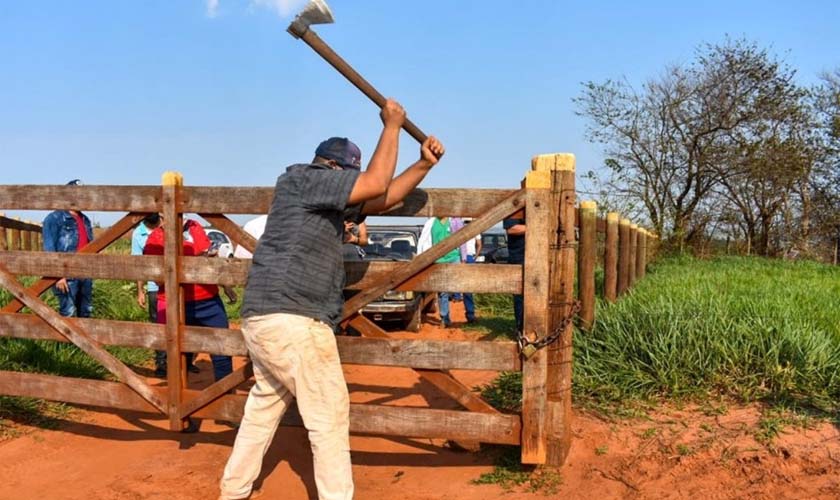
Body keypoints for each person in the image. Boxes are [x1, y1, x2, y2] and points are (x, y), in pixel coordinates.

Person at [220, 99, 445, 500]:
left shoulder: (314, 191)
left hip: (269, 318)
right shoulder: (307, 178)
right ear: (336, 170)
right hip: (295, 318)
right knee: (328, 415)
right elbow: (376, 184)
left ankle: (233, 491)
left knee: (263, 407)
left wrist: (423, 164)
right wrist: (391, 126)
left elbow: (385, 196)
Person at [143, 218, 234, 381]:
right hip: (176, 303)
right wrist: (186, 264)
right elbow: (158, 280)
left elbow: (210, 259)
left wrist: (225, 285)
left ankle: (226, 395)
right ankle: (182, 399)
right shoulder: (155, 240)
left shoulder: (194, 227)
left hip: (208, 299)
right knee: (178, 354)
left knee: (222, 349)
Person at [42, 179, 94, 318]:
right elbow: (49, 249)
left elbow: (91, 245)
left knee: (86, 311)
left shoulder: (85, 220)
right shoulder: (54, 218)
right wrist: (58, 276)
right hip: (66, 275)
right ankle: (64, 341)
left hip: (85, 272)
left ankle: (83, 341)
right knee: (68, 312)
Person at [131, 213, 172, 377]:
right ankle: (162, 364)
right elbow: (139, 264)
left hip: (175, 285)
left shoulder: (168, 227)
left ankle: (185, 361)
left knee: (183, 320)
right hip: (155, 287)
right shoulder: (138, 234)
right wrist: (140, 290)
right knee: (159, 326)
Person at [503, 216, 526, 333]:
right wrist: (536, 227)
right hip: (520, 257)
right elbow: (511, 228)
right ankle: (521, 329)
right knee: (520, 296)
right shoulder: (514, 208)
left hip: (537, 255)